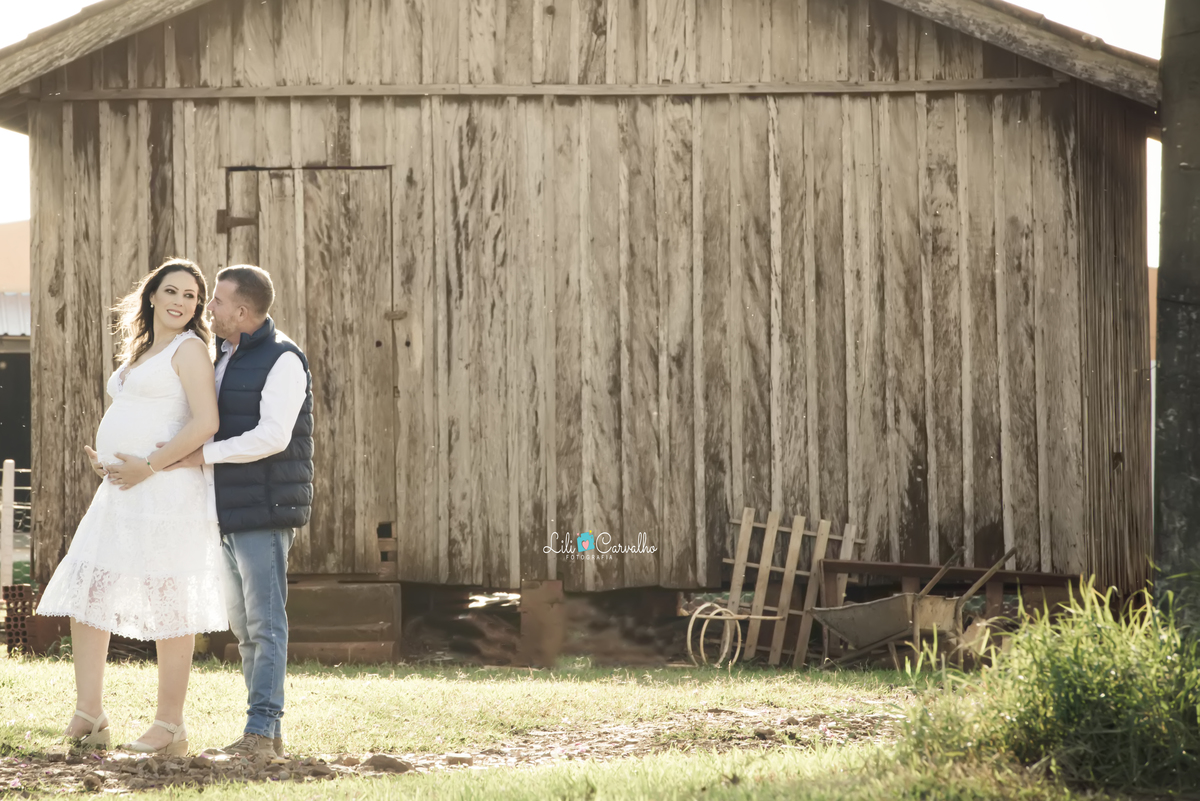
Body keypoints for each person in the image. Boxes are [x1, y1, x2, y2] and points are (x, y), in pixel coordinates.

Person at [36, 259, 227, 756]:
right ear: (151, 296)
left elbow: (206, 421)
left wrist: (148, 463)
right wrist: (112, 460)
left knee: (170, 602)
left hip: (165, 489)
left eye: (191, 296)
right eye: (172, 291)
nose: (181, 302)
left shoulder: (190, 350)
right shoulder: (143, 350)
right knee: (90, 593)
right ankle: (90, 713)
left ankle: (170, 727)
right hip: (121, 491)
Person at [164, 265, 313, 758]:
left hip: (265, 513)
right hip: (227, 513)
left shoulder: (283, 359)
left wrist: (202, 456)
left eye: (218, 302)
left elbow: (273, 436)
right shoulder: (223, 355)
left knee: (266, 624)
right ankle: (265, 733)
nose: (209, 309)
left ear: (243, 311)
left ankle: (260, 730)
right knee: (246, 627)